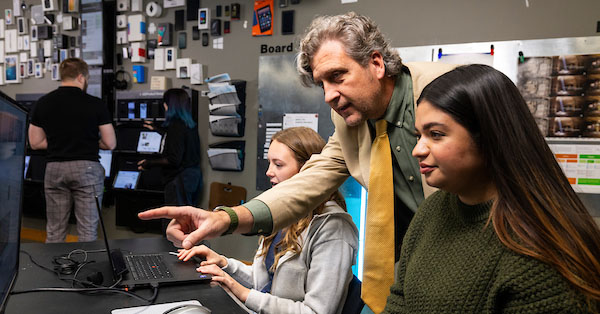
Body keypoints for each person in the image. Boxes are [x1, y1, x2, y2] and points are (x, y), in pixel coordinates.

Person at [139, 12, 454, 312]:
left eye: (337, 76)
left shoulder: (442, 91)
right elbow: (311, 180)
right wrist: (225, 219)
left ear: (376, 62)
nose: (329, 95)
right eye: (322, 84)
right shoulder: (351, 120)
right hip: (413, 272)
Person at [382, 64, 600, 313]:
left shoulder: (538, 251)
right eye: (418, 135)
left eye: (436, 134)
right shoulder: (433, 209)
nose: (418, 150)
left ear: (488, 137)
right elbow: (400, 299)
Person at [177, 127, 358, 314]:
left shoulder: (334, 228)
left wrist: (242, 292)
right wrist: (224, 263)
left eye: (278, 165)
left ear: (308, 171)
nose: (269, 172)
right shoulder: (282, 215)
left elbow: (316, 312)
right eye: (269, 163)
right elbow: (263, 281)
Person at [28, 58, 116, 243]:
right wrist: (89, 142)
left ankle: (55, 270)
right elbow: (110, 143)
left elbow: (35, 142)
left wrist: (58, 141)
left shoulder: (43, 102)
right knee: (87, 231)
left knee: (55, 230)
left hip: (54, 169)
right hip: (87, 169)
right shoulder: (95, 103)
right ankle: (86, 271)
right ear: (81, 77)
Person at [137, 88, 202, 208]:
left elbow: (173, 159)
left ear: (169, 106)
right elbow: (179, 141)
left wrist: (148, 163)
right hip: (192, 178)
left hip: (179, 180)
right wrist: (157, 128)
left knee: (174, 221)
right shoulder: (189, 125)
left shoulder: (176, 127)